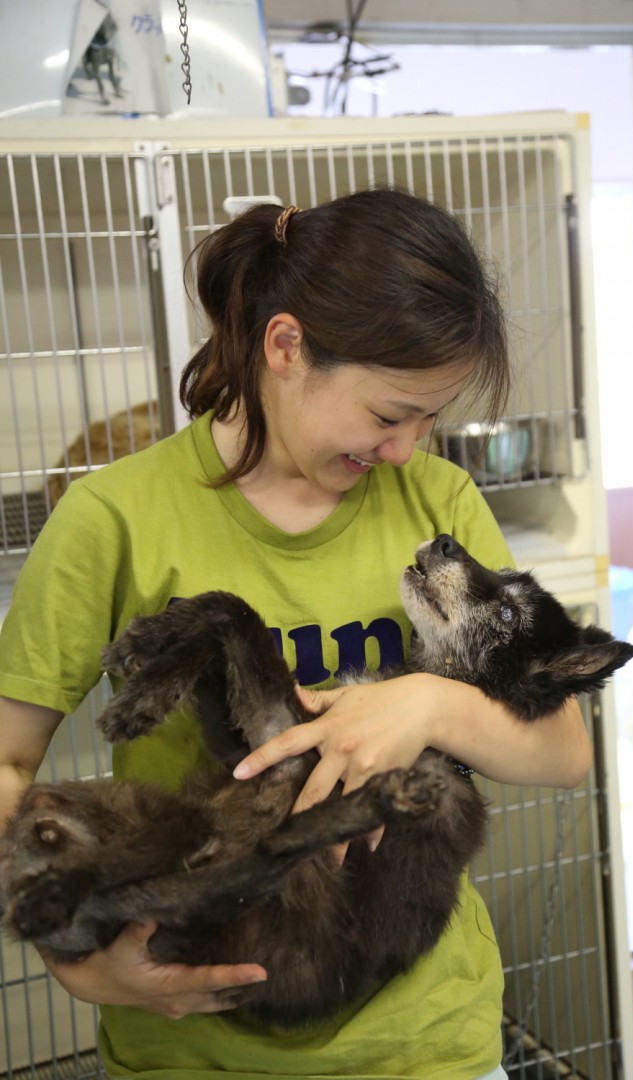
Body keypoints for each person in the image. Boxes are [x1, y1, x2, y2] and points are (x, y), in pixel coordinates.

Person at [0, 188, 591, 1080]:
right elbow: (7, 761)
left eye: (431, 418)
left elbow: (562, 749)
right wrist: (79, 966)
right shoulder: (114, 518)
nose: (406, 448)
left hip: (426, 1043)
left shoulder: (438, 503)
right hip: (194, 1046)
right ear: (286, 347)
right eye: (389, 415)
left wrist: (426, 703)